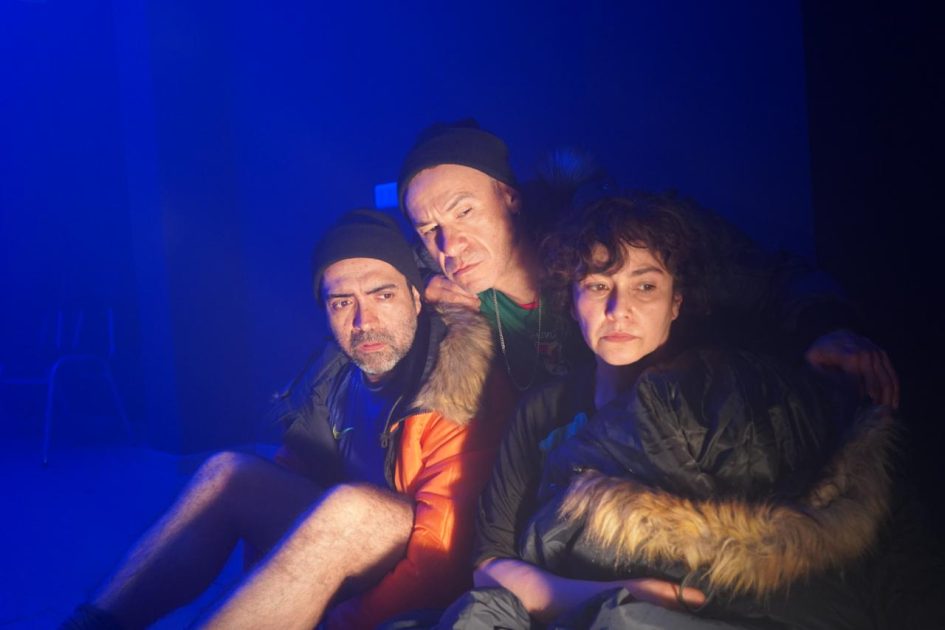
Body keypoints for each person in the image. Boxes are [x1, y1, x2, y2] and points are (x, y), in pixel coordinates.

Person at [445, 194, 902, 628]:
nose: (618, 310)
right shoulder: (543, 411)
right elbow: (490, 565)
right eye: (598, 286)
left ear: (675, 302)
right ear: (572, 301)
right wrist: (625, 593)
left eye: (645, 287)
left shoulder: (723, 398)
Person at [64, 209, 514, 629]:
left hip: (416, 571)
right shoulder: (329, 378)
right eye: (342, 303)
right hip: (338, 544)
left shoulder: (455, 383)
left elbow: (439, 561)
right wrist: (271, 598)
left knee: (351, 508)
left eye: (383, 295)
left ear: (416, 299)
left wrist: (337, 621)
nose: (364, 320)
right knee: (228, 472)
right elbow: (283, 490)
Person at [397, 119, 899, 406]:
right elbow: (380, 271)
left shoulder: (611, 244)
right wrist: (419, 289)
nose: (449, 243)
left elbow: (774, 277)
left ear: (510, 197)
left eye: (464, 211)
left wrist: (827, 328)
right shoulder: (442, 286)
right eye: (427, 227)